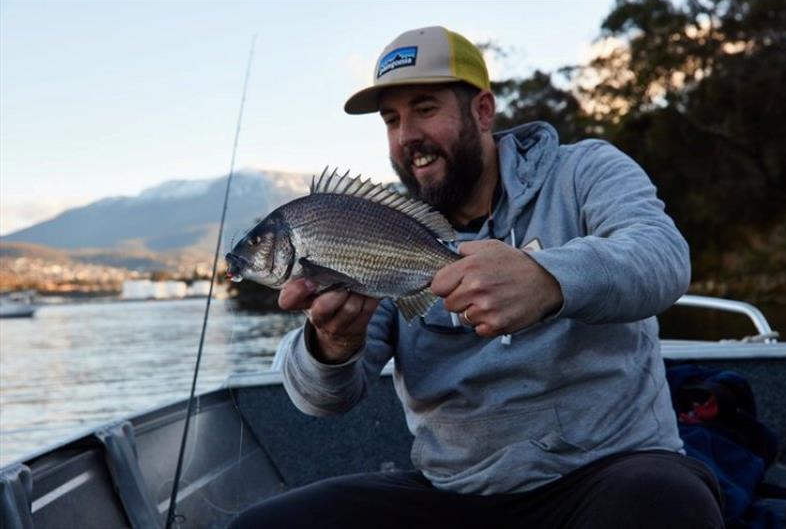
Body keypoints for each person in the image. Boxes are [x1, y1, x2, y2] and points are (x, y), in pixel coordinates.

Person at [231, 26, 724, 528]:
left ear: (483, 111)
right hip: (453, 495)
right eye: (391, 120)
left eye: (425, 109)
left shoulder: (584, 171)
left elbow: (663, 257)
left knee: (667, 503)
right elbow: (323, 400)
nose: (407, 137)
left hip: (604, 473)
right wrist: (328, 345)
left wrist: (546, 280)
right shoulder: (375, 228)